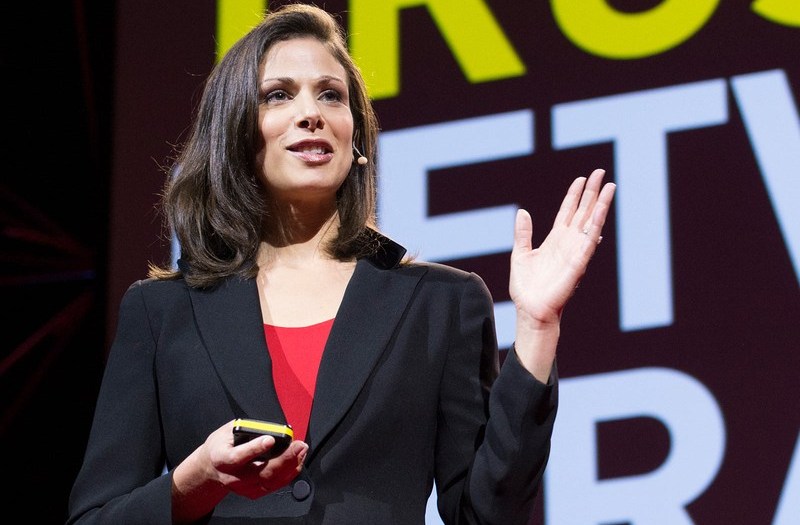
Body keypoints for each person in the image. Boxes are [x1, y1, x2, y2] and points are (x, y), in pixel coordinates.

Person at [67, 3, 615, 524]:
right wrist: (196, 480)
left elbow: (486, 513)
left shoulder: (441, 303)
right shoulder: (162, 312)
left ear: (355, 137)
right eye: (278, 95)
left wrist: (538, 328)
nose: (311, 114)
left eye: (331, 96)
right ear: (235, 133)